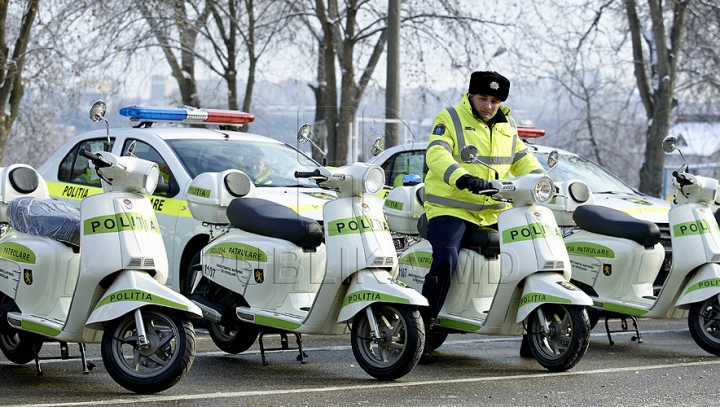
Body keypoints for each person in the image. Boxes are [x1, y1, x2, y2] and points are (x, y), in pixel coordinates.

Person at [419, 71, 545, 364]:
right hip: (451, 208)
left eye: (495, 100)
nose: (489, 105)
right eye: (483, 98)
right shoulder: (449, 118)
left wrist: (542, 180)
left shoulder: (506, 126)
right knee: (445, 259)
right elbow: (437, 155)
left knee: (533, 251)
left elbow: (522, 159)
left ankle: (533, 330)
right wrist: (462, 178)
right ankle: (423, 329)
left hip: (494, 211)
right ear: (471, 95)